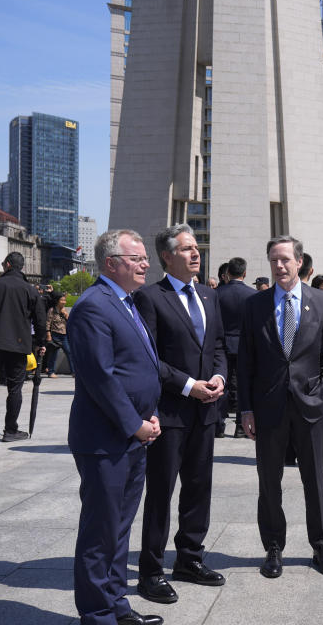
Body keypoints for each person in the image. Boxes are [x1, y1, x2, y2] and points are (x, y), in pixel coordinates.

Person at [67, 229, 163, 625]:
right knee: (100, 533)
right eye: (137, 259)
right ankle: (97, 614)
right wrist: (134, 424)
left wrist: (149, 413)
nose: (145, 264)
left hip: (133, 436)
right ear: (111, 264)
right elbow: (100, 377)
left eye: (144, 258)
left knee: (119, 531)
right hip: (106, 440)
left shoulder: (126, 302)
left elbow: (136, 367)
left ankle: (117, 606)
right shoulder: (93, 306)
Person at [134, 224, 227, 604]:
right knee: (160, 493)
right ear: (167, 256)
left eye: (196, 247)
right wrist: (190, 385)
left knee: (198, 488)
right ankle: (151, 571)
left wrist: (219, 377)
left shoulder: (209, 294)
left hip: (205, 413)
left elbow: (219, 344)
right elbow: (149, 357)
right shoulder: (149, 297)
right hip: (170, 412)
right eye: (186, 249)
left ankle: (190, 558)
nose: (195, 253)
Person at [239, 235, 323, 579]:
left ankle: (321, 546)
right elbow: (246, 362)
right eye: (273, 260)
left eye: (285, 260)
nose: (279, 266)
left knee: (315, 479)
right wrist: (246, 409)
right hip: (268, 408)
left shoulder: (322, 301)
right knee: (269, 481)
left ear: (299, 262)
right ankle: (273, 547)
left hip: (310, 405)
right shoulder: (255, 305)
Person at [0, 252, 47, 442]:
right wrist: (41, 343)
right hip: (18, 344)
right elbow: (40, 320)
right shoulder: (29, 290)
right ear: (21, 267)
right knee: (14, 388)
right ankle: (10, 429)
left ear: (7, 264)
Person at [216, 256, 257, 439]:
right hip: (244, 345)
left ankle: (218, 425)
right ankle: (241, 426)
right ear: (245, 273)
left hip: (221, 345)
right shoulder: (253, 295)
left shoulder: (216, 294)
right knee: (241, 385)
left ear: (227, 273)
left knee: (220, 384)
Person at [44, 292, 73, 378]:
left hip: (64, 335)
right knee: (53, 354)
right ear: (57, 301)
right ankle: (51, 372)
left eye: (65, 300)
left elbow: (70, 322)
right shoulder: (52, 310)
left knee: (69, 352)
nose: (64, 302)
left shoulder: (65, 311)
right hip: (54, 334)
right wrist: (48, 335)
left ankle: (74, 372)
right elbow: (48, 323)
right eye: (62, 300)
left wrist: (66, 315)